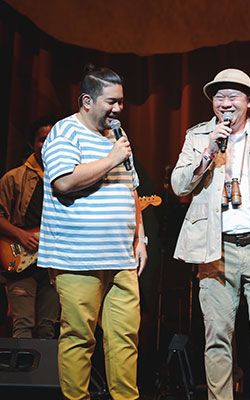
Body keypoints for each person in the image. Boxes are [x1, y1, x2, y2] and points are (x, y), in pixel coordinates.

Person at [171, 68, 250, 400]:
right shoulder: (198, 137)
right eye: (219, 96)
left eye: (233, 96)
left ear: (249, 101)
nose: (225, 103)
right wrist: (208, 152)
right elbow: (179, 186)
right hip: (214, 250)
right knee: (216, 338)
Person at [38, 65, 147, 400]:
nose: (118, 109)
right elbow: (64, 181)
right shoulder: (65, 132)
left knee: (125, 339)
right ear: (87, 101)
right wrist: (112, 159)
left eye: (121, 102)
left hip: (121, 257)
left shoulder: (117, 136)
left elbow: (131, 189)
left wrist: (140, 237)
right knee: (79, 338)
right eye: (111, 102)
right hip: (78, 258)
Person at [0, 116, 59, 339]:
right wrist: (21, 235)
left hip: (53, 262)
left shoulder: (68, 179)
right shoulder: (14, 178)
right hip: (20, 260)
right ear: (32, 143)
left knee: (47, 328)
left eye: (52, 139)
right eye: (42, 139)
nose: (47, 144)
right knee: (22, 325)